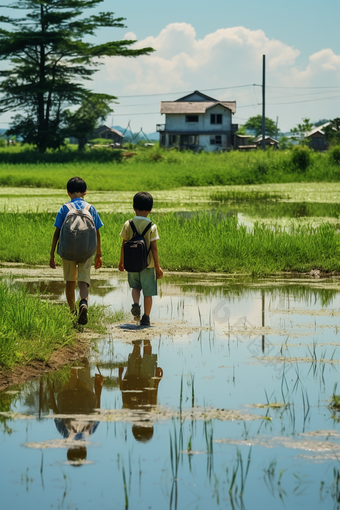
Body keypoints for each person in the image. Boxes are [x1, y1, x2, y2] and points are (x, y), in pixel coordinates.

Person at [49, 176, 103, 325]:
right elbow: (97, 232)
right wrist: (98, 254)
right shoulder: (90, 208)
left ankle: (73, 315)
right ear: (85, 192)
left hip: (68, 251)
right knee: (83, 280)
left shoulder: (64, 208)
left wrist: (52, 254)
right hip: (86, 249)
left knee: (70, 281)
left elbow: (57, 232)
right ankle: (84, 302)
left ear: (68, 193)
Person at [119, 191, 163, 326]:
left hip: (132, 264)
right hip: (148, 265)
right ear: (150, 210)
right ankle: (146, 317)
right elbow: (154, 248)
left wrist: (122, 261)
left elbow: (124, 244)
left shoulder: (128, 224)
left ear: (134, 207)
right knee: (148, 292)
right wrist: (157, 266)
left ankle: (136, 304)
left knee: (135, 287)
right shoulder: (152, 226)